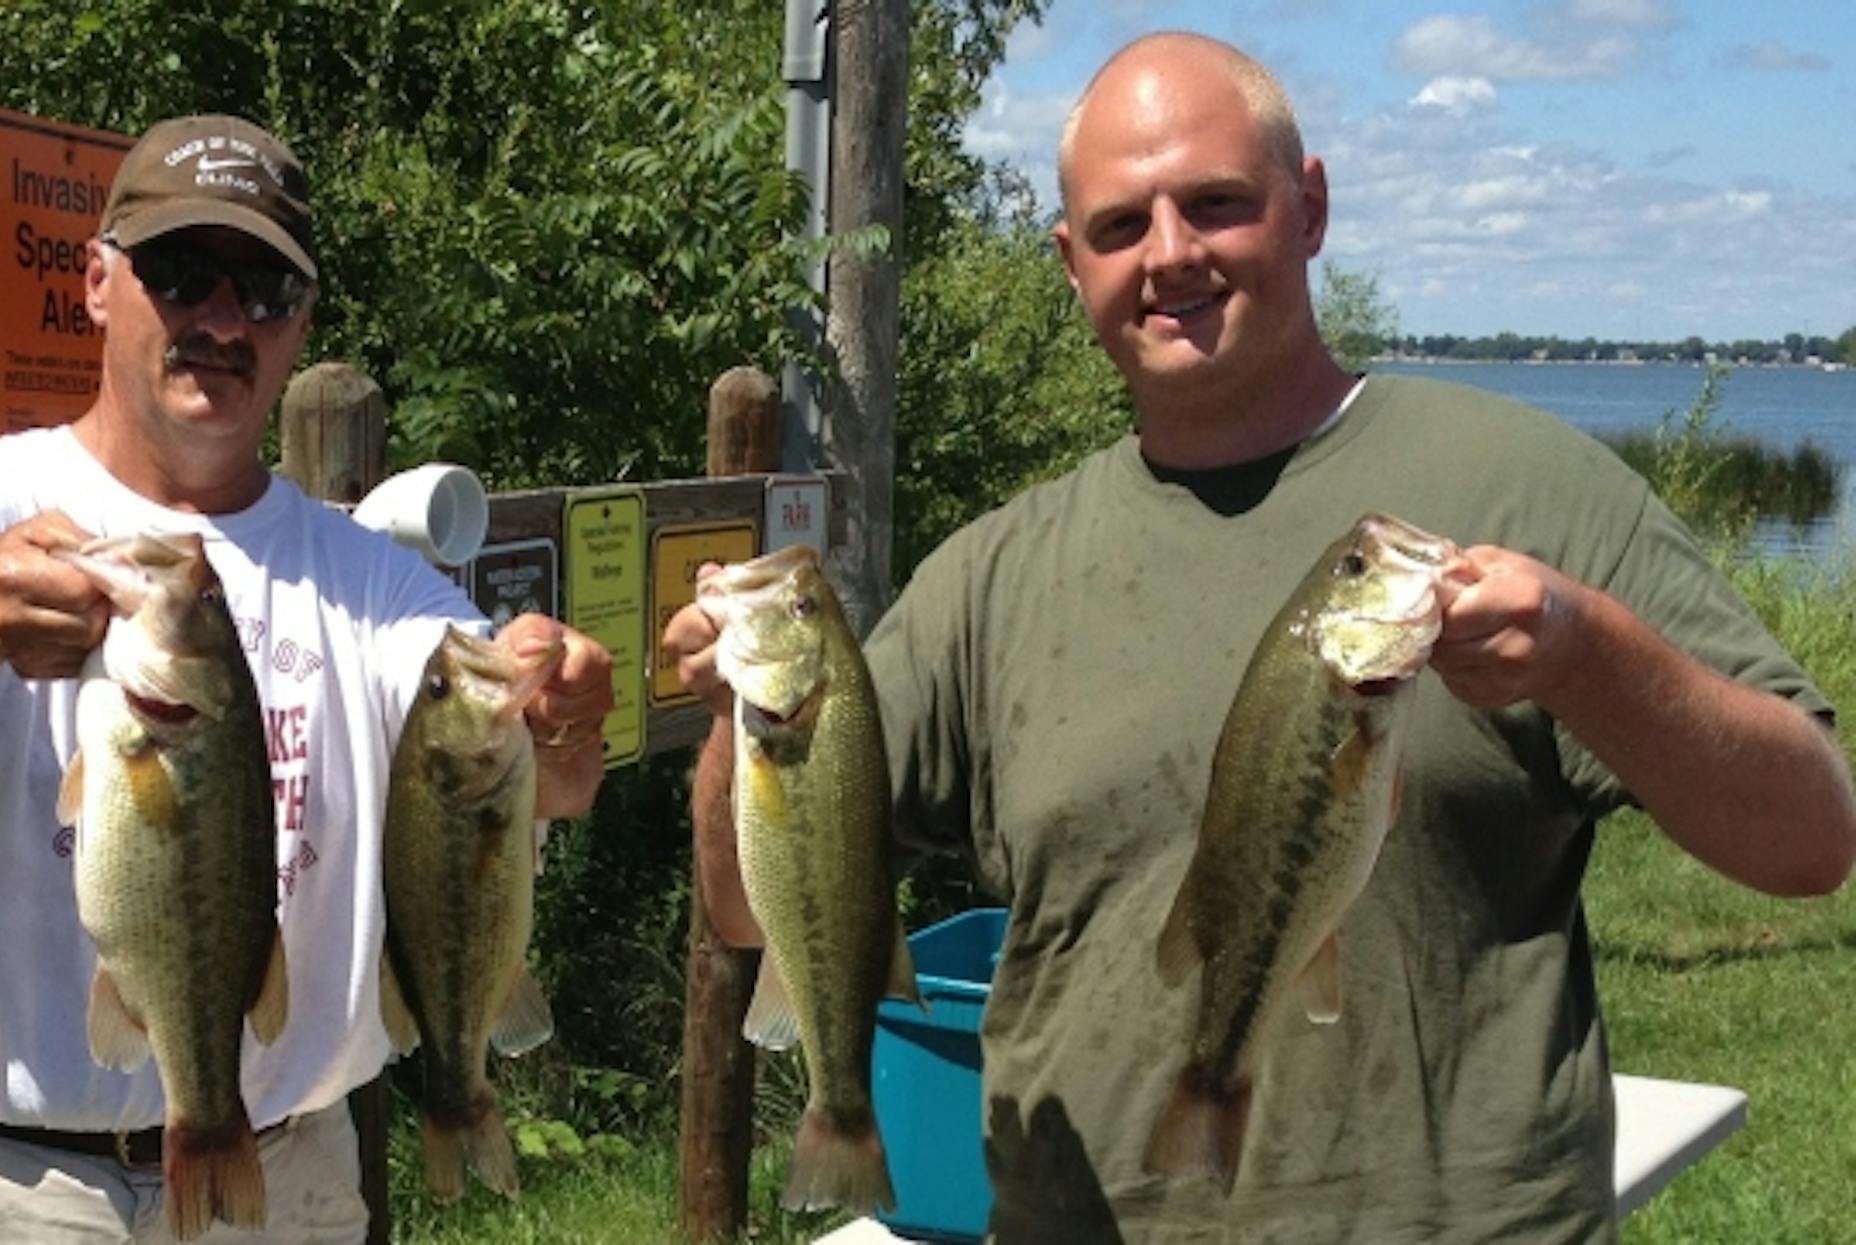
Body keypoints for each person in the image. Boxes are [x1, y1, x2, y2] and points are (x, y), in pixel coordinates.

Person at [663, 32, 1856, 1244]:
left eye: (1217, 204)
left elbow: (1811, 836)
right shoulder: (993, 574)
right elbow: (752, 910)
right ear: (1071, 265)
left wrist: (1586, 653)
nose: (1172, 253)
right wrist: (734, 718)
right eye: (1122, 226)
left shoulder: (1526, 487)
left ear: (1311, 208)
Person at [0, 113, 615, 1242]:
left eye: (265, 290)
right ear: (96, 283)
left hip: (286, 1180)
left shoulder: (369, 580)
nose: (222, 319)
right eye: (181, 274)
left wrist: (560, 715)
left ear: (301, 321)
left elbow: (527, 771)